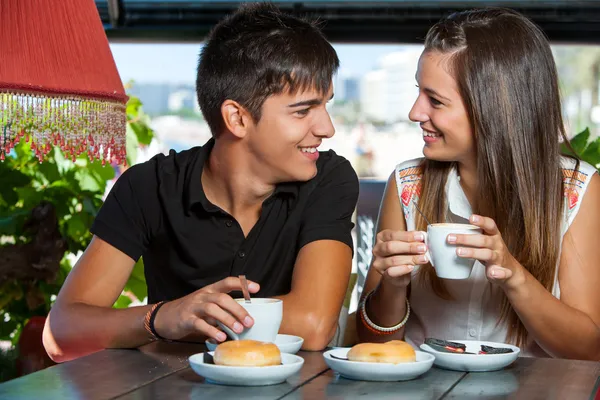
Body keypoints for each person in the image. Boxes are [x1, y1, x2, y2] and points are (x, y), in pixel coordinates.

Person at [43, 2, 359, 362]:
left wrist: (193, 320)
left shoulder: (329, 178)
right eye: (303, 111)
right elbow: (63, 333)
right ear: (237, 119)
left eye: (326, 106)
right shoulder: (148, 187)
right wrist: (165, 316)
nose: (327, 129)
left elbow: (313, 324)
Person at [357, 8, 600, 360]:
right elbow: (371, 346)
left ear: (494, 109)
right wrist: (392, 287)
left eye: (435, 100)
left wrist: (513, 275)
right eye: (418, 92)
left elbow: (589, 351)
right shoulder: (407, 184)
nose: (414, 112)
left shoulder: (577, 189)